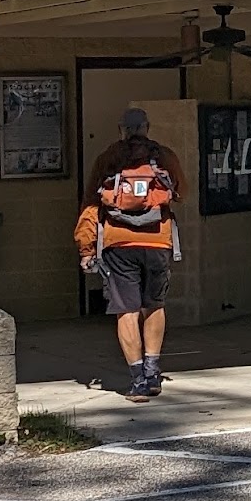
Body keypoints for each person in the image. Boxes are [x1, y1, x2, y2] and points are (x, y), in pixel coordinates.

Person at [74, 106, 186, 403]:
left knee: (127, 310)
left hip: (118, 245)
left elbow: (90, 205)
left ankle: (137, 379)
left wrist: (86, 248)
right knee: (155, 305)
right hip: (157, 243)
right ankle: (152, 372)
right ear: (147, 127)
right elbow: (182, 190)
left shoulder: (108, 159)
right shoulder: (164, 156)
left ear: (121, 129)